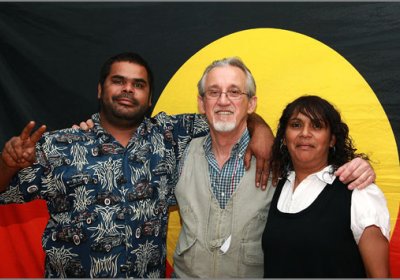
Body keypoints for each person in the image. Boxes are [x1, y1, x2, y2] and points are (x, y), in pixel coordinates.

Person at [0, 52, 275, 278]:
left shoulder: (170, 135)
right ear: (100, 89)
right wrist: (7, 165)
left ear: (150, 97)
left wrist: (260, 128)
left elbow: (226, 112)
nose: (128, 89)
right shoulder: (59, 145)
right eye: (118, 81)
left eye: (139, 84)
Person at [171, 58, 378, 278]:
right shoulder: (177, 151)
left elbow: (320, 170)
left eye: (234, 92)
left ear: (251, 104)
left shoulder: (282, 161)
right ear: (202, 103)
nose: (223, 101)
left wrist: (360, 168)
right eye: (213, 92)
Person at [262, 95, 390, 278]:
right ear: (284, 137)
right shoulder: (275, 185)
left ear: (332, 140)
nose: (305, 133)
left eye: (317, 126)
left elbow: (379, 275)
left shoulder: (359, 192)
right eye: (296, 125)